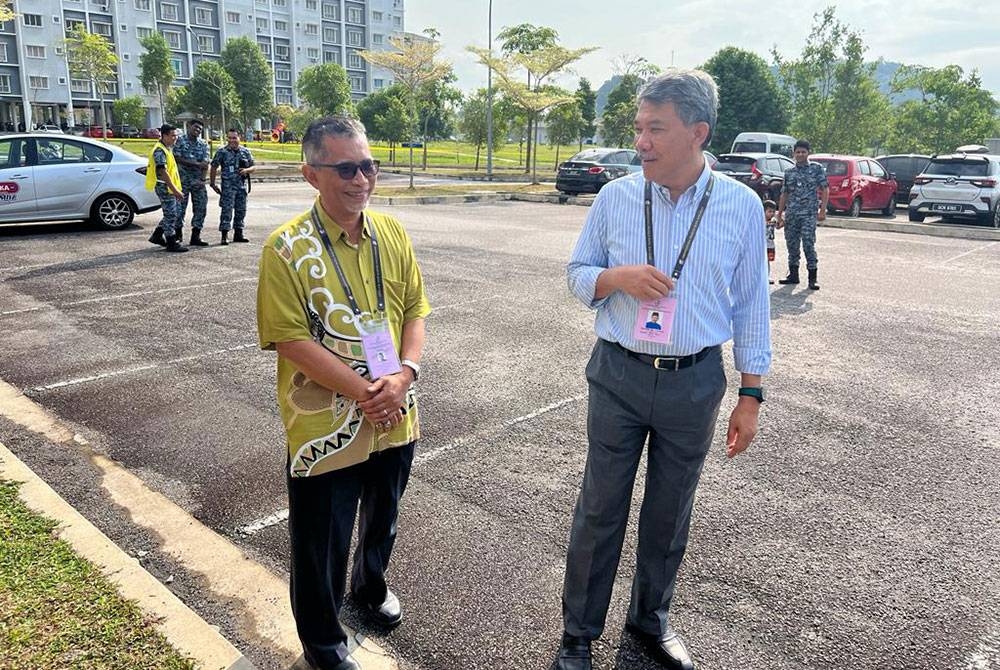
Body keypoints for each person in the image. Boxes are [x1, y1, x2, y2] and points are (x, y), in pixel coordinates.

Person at [560, 69, 771, 670]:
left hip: (695, 379)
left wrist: (751, 393)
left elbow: (752, 303)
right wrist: (614, 279)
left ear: (698, 133)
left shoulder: (740, 206)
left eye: (656, 128)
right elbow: (577, 274)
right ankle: (579, 634)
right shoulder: (615, 197)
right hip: (618, 373)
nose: (642, 141)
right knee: (601, 505)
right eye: (638, 128)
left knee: (670, 508)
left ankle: (650, 620)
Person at [256, 116, 431, 670]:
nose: (362, 180)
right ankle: (323, 641)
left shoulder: (392, 233)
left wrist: (403, 375)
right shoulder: (286, 249)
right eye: (347, 168)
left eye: (369, 166)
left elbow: (415, 310)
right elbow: (288, 339)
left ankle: (371, 589)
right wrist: (363, 390)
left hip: (394, 407)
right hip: (326, 426)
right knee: (321, 540)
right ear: (311, 173)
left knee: (385, 513)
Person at [776, 140, 828, 290]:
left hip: (809, 213)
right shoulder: (789, 172)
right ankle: (793, 275)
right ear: (794, 154)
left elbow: (825, 189)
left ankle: (812, 277)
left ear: (808, 153)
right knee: (792, 244)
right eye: (797, 152)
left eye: (803, 152)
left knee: (808, 243)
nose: (800, 154)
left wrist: (822, 210)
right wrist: (780, 215)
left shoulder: (816, 169)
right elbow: (784, 194)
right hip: (792, 214)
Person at [144, 123, 187, 253]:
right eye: (173, 135)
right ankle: (171, 242)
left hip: (168, 187)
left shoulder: (167, 148)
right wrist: (175, 190)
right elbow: (163, 172)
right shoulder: (159, 150)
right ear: (164, 135)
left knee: (174, 212)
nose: (175, 138)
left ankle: (157, 235)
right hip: (164, 187)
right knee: (170, 215)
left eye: (176, 135)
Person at [210, 129, 256, 245]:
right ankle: (224, 235)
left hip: (241, 187)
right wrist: (213, 183)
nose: (232, 140)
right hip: (228, 188)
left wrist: (247, 170)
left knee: (241, 210)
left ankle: (238, 234)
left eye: (234, 138)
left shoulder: (245, 151)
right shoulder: (222, 152)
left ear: (239, 138)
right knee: (227, 211)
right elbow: (214, 166)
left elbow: (254, 167)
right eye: (229, 138)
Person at [173, 119, 211, 247]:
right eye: (195, 127)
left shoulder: (203, 144)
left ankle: (196, 236)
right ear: (189, 126)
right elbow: (177, 157)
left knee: (201, 208)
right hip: (182, 181)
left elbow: (205, 163)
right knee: (179, 209)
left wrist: (202, 179)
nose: (198, 130)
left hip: (197, 182)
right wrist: (196, 164)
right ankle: (178, 235)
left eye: (200, 129)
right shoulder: (180, 141)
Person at [764, 199, 777, 284]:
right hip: (761, 245)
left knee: (767, 261)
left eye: (773, 211)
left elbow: (779, 225)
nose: (771, 213)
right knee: (760, 261)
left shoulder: (773, 221)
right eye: (769, 211)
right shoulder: (759, 220)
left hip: (770, 244)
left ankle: (767, 277)